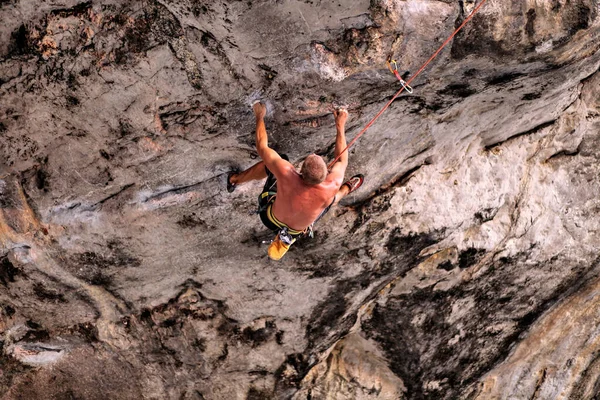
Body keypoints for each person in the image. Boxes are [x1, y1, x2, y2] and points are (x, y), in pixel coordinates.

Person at [227, 102, 364, 260]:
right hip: (297, 230)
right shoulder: (331, 183)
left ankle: (234, 179)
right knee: (330, 200)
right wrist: (340, 125)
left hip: (269, 217)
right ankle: (347, 188)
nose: (313, 153)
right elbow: (342, 160)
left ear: (301, 171)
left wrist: (259, 115)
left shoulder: (287, 174)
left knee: (274, 163)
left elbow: (262, 147)